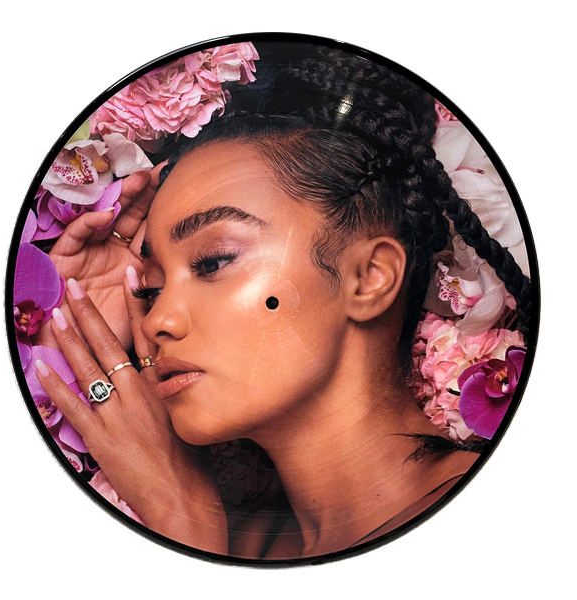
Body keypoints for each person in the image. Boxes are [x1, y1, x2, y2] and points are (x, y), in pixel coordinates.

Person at [29, 42, 531, 561]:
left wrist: (184, 527)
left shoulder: (510, 523)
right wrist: (69, 323)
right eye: (152, 288)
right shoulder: (241, 542)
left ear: (370, 278)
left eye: (213, 261)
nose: (158, 320)